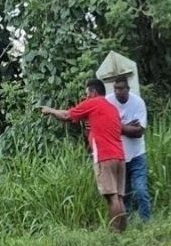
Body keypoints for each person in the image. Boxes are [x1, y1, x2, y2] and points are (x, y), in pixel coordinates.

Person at [42, 79, 128, 231]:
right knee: (119, 197)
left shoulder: (93, 103)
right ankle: (123, 232)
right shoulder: (112, 108)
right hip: (120, 156)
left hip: (104, 156)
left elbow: (67, 115)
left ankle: (116, 234)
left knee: (111, 197)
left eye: (87, 94)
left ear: (93, 93)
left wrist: (50, 111)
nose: (86, 97)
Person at [108, 75, 152, 222]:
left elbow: (139, 132)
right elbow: (105, 127)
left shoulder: (138, 103)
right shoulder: (108, 101)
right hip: (119, 156)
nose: (117, 91)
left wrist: (117, 126)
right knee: (124, 193)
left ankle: (147, 222)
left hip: (137, 154)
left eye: (120, 88)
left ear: (128, 89)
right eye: (115, 88)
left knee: (141, 190)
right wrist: (127, 127)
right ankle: (128, 222)